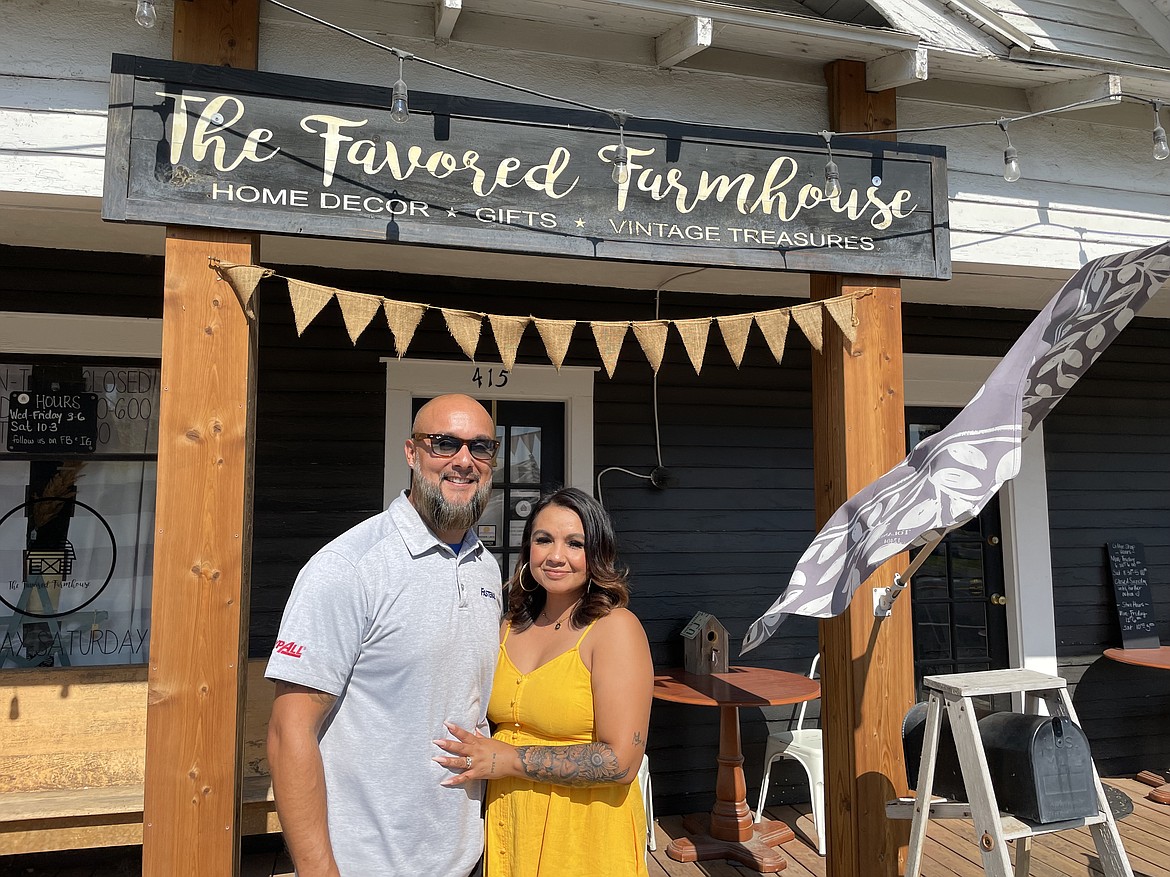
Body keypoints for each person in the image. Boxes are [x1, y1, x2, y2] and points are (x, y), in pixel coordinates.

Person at [265, 393, 503, 877]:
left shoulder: (487, 568)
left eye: (481, 447)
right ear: (411, 454)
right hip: (364, 863)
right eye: (444, 444)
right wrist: (317, 870)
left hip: (465, 856)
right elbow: (288, 730)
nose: (464, 461)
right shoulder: (349, 567)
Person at [435, 487, 654, 877]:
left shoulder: (615, 629)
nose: (556, 556)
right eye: (543, 540)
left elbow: (621, 761)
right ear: (528, 551)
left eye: (575, 543)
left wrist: (508, 759)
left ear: (597, 554)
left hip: (584, 836)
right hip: (510, 827)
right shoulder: (508, 625)